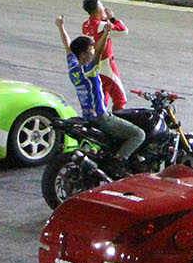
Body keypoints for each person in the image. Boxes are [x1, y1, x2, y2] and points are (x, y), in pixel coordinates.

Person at [56, 15, 143, 174]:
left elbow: (67, 46)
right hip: (102, 118)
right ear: (84, 54)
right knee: (139, 134)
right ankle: (118, 161)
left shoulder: (73, 68)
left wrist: (60, 27)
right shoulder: (88, 70)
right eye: (91, 50)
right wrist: (106, 33)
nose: (93, 51)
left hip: (87, 116)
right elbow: (99, 53)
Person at [80, 0, 129, 111]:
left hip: (93, 63)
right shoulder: (101, 26)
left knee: (102, 94)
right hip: (106, 64)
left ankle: (101, 114)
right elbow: (123, 30)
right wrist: (112, 19)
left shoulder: (86, 25)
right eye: (102, 6)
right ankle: (118, 117)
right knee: (120, 97)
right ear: (98, 10)